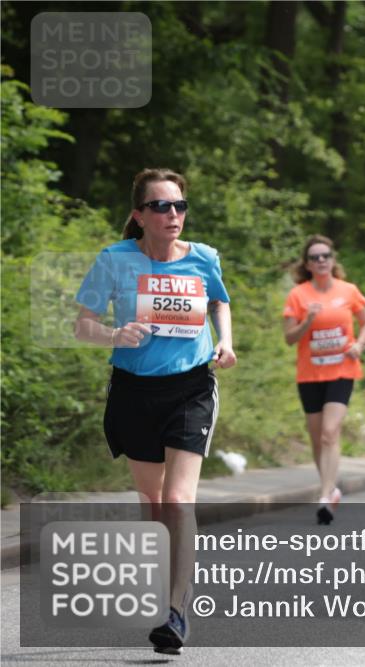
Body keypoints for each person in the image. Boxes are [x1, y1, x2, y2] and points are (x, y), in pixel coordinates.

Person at [75, 168, 237, 654]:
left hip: (191, 388)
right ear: (139, 215)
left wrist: (226, 340)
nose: (173, 215)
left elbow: (219, 303)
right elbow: (83, 325)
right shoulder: (114, 260)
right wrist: (113, 335)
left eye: (180, 206)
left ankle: (176, 611)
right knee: (152, 505)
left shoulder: (204, 258)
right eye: (162, 207)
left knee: (178, 498)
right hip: (134, 391)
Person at [283, 235, 365, 525]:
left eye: (326, 255)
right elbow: (289, 338)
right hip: (310, 374)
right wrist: (307, 321)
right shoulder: (298, 295)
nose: (321, 261)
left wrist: (359, 344)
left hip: (341, 370)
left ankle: (324, 495)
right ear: (307, 265)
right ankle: (330, 488)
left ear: (333, 260)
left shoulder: (348, 290)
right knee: (316, 436)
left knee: (329, 433)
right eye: (315, 257)